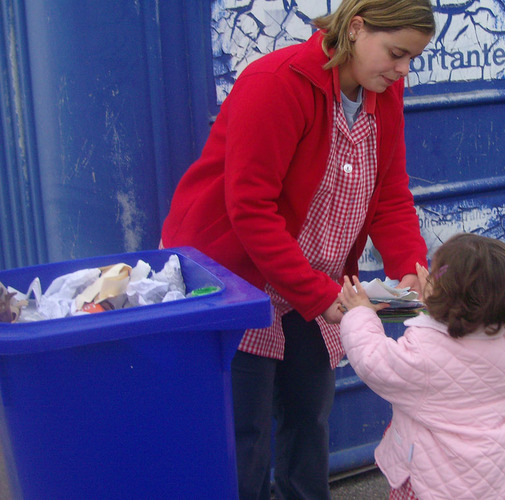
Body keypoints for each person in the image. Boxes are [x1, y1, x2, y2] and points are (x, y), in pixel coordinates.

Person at [160, 1, 436, 498]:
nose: (403, 70)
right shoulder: (277, 82)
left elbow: (389, 193)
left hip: (309, 278)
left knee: (309, 417)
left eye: (412, 58)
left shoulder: (384, 95)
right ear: (355, 28)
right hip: (231, 277)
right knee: (243, 434)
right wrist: (319, 294)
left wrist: (410, 268)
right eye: (397, 53)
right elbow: (250, 209)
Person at [338, 233, 505, 500]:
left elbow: (373, 360)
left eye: (432, 276)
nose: (426, 278)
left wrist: (360, 312)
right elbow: (461, 334)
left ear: (452, 299)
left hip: (433, 485)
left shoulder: (426, 351)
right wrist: (434, 301)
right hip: (493, 483)